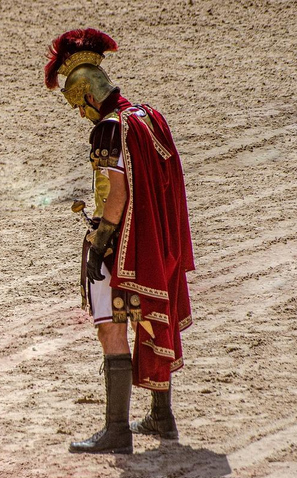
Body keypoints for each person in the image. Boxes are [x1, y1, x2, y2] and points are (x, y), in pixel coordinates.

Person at [44, 28, 195, 454]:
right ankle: (162, 417)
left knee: (112, 328)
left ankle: (116, 431)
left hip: (125, 249)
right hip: (157, 243)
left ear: (89, 95)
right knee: (150, 318)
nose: (80, 115)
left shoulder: (109, 130)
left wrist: (101, 241)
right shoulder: (148, 116)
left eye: (79, 106)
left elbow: (117, 193)